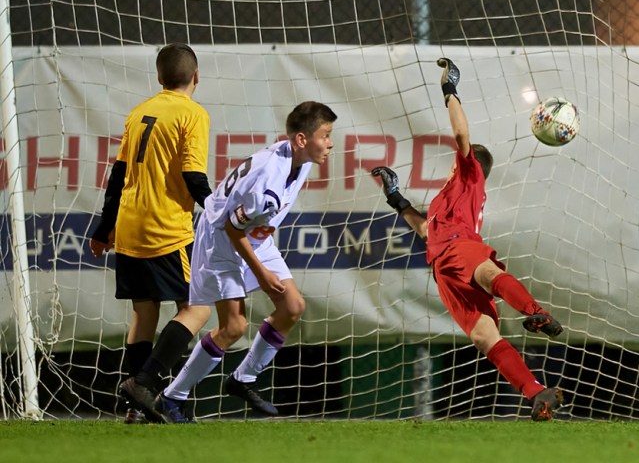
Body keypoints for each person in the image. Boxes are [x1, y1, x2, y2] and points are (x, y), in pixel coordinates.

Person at [371, 58, 565, 421]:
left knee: (489, 275)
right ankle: (536, 393)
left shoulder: (469, 175)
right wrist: (396, 199)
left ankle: (535, 312)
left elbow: (462, 137)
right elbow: (425, 231)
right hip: (442, 268)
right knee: (484, 338)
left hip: (460, 247)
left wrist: (450, 90)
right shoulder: (446, 199)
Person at [146, 101, 336, 423]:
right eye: (325, 135)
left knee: (292, 306)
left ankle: (243, 379)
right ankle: (171, 397)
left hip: (256, 237)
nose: (330, 143)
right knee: (233, 327)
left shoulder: (298, 158)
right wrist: (261, 274)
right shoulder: (268, 182)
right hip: (221, 238)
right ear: (302, 139)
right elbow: (233, 228)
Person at [88, 43, 213, 424]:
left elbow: (117, 176)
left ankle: (134, 408)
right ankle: (144, 383)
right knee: (197, 307)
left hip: (129, 226)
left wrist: (103, 228)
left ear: (159, 78)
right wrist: (219, 211)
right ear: (196, 76)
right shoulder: (193, 113)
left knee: (144, 313)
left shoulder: (139, 111)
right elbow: (193, 175)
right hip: (166, 228)